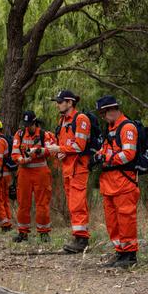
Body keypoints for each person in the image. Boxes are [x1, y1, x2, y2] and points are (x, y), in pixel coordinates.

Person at [94, 96, 140, 268]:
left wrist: (106, 157)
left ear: (112, 110)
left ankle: (129, 255)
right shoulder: (110, 128)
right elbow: (106, 149)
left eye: (104, 113)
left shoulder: (127, 127)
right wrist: (98, 156)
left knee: (126, 219)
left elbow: (129, 154)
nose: (103, 117)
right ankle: (120, 252)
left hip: (124, 182)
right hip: (109, 183)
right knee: (112, 221)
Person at [46, 90, 92, 253]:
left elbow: (80, 145)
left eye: (60, 101)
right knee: (73, 204)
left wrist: (60, 148)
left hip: (78, 168)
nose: (57, 104)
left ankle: (82, 240)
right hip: (67, 168)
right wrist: (60, 151)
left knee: (77, 204)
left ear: (70, 102)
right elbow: (68, 144)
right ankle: (78, 237)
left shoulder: (81, 119)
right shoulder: (63, 120)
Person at [11, 111, 56, 242]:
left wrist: (36, 152)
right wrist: (22, 160)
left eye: (30, 124)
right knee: (23, 203)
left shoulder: (44, 135)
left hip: (41, 172)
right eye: (26, 124)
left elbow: (50, 151)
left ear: (35, 123)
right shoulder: (19, 134)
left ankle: (44, 233)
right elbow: (14, 153)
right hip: (24, 172)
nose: (27, 127)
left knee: (42, 203)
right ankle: (23, 233)